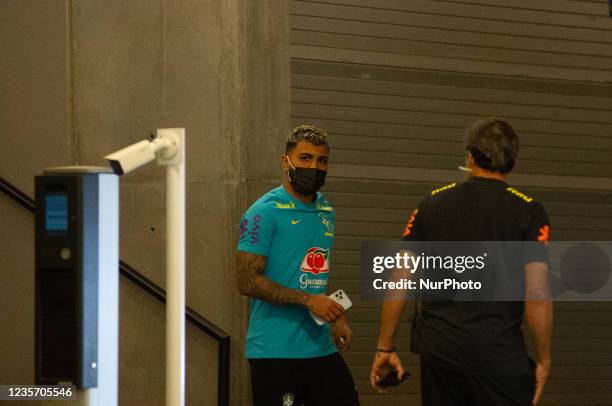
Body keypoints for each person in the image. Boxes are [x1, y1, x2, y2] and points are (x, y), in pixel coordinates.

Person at [370, 117, 553, 405]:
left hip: (440, 357)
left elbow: (399, 277)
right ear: (512, 160)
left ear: (470, 156)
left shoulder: (431, 203)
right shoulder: (528, 211)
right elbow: (538, 294)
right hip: (498, 358)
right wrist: (544, 359)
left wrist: (385, 347)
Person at [237, 124, 360, 406]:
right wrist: (307, 301)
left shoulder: (325, 210)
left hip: (321, 350)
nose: (314, 167)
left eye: (322, 160)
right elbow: (246, 281)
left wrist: (336, 316)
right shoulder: (262, 213)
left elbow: (313, 273)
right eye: (305, 158)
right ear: (286, 162)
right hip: (276, 355)